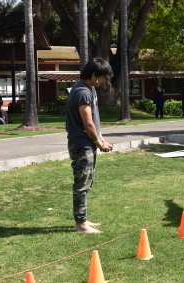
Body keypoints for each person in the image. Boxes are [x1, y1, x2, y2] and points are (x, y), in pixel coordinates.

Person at [66, 57, 113, 234]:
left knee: (87, 181)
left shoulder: (90, 89)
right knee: (81, 183)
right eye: (102, 78)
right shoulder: (82, 92)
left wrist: (102, 139)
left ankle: (83, 219)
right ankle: (80, 224)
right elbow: (88, 124)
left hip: (88, 144)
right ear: (94, 75)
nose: (103, 82)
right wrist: (99, 144)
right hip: (81, 145)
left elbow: (95, 121)